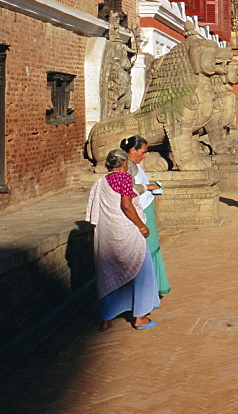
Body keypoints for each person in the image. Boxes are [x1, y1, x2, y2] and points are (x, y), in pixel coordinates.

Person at [85, 149, 161, 331]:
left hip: (108, 234)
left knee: (108, 273)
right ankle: (140, 317)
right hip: (127, 231)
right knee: (142, 270)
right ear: (123, 163)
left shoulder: (101, 181)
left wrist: (147, 187)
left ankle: (106, 319)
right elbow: (126, 205)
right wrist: (142, 226)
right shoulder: (125, 179)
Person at [120, 136, 170, 296]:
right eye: (142, 152)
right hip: (139, 211)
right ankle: (146, 293)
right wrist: (147, 187)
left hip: (145, 207)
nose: (144, 156)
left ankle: (152, 289)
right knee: (146, 251)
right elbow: (129, 190)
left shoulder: (135, 165)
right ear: (132, 150)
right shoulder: (127, 167)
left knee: (153, 248)